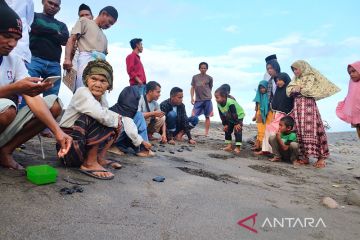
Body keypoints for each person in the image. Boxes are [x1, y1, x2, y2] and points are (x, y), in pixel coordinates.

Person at [0, 0, 72, 170]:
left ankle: (5, 151)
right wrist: (14, 89)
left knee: (53, 105)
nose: (12, 44)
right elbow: (17, 91)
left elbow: (32, 98)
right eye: (7, 36)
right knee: (7, 109)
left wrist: (57, 132)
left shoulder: (15, 61)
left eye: (17, 39)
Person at [59, 60, 121, 180]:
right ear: (87, 80)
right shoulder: (82, 92)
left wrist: (117, 120)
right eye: (94, 79)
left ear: (109, 85)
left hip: (80, 148)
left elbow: (107, 117)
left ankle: (99, 158)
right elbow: (99, 114)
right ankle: (89, 163)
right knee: (97, 117)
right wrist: (115, 120)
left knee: (114, 119)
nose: (98, 84)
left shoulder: (103, 100)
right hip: (68, 149)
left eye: (103, 81)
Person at [287, 60, 340, 168]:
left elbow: (308, 90)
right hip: (297, 107)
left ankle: (321, 158)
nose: (295, 72)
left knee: (313, 129)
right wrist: (295, 89)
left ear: (303, 67)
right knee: (300, 131)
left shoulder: (310, 76)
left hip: (308, 107)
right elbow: (288, 91)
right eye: (293, 70)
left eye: (296, 69)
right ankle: (304, 157)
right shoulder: (296, 79)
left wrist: (298, 88)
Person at [63, 6, 118, 91]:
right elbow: (72, 39)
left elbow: (104, 58)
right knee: (82, 91)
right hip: (85, 62)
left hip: (100, 67)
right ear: (104, 14)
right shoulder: (84, 21)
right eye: (109, 22)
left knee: (98, 95)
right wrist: (67, 59)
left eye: (111, 24)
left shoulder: (105, 37)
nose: (109, 25)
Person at [27, 0, 69, 98]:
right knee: (27, 92)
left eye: (56, 5)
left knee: (52, 98)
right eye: (50, 3)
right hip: (34, 60)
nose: (53, 6)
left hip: (54, 64)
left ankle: (46, 114)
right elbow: (34, 28)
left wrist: (43, 30)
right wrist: (55, 32)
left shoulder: (62, 25)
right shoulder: (34, 16)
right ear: (43, 2)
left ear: (59, 8)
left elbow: (64, 40)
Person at [255, 72, 294, 156]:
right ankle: (265, 150)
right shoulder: (278, 92)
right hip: (277, 115)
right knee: (268, 128)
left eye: (280, 80)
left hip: (286, 117)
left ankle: (275, 152)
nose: (278, 82)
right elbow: (275, 105)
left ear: (285, 80)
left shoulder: (289, 92)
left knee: (275, 131)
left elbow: (291, 108)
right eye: (277, 80)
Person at [110, 86, 155, 157]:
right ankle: (111, 146)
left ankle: (142, 148)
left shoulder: (117, 107)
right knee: (128, 127)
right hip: (107, 139)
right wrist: (142, 142)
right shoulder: (123, 112)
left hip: (115, 136)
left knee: (139, 115)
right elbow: (130, 130)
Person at [214, 87, 245, 155]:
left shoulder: (230, 102)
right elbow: (221, 115)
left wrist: (237, 123)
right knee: (227, 129)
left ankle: (238, 147)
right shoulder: (218, 104)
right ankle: (229, 146)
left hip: (238, 115)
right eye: (215, 97)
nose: (216, 99)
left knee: (237, 130)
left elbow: (234, 113)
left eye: (217, 97)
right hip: (230, 117)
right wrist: (225, 124)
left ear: (224, 97)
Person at [336, 61, 360, 138]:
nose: (351, 74)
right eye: (349, 73)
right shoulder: (352, 83)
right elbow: (351, 97)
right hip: (356, 117)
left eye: (354, 71)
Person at [190, 62, 213, 136]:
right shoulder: (195, 77)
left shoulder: (210, 78)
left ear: (207, 69)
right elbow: (192, 87)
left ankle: (206, 133)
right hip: (198, 100)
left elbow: (210, 88)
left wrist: (207, 95)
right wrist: (192, 97)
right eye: (202, 68)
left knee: (207, 116)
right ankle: (188, 130)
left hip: (207, 99)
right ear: (199, 68)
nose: (203, 69)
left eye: (205, 68)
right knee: (193, 115)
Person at [252, 80, 270, 151]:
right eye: (260, 88)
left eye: (263, 88)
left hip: (267, 115)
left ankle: (263, 146)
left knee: (265, 130)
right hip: (259, 115)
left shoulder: (268, 97)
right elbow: (256, 108)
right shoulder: (258, 97)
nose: (262, 89)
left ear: (267, 88)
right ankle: (258, 145)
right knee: (259, 130)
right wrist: (255, 116)